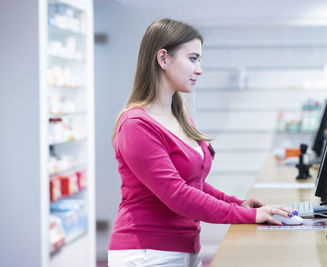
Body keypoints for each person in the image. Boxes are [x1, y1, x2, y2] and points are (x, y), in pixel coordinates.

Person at [108, 18, 297, 267]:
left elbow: (193, 183)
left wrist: (236, 202)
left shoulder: (180, 115)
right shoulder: (136, 125)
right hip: (147, 253)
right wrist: (247, 215)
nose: (200, 69)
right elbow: (177, 194)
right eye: (193, 58)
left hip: (183, 248)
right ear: (163, 58)